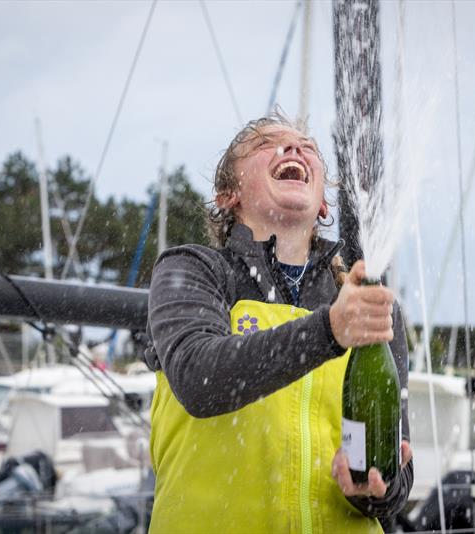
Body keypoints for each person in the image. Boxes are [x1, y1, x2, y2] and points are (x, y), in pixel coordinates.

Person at [144, 114, 413, 533]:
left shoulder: (368, 307)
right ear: (227, 195)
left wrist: (376, 490)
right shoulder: (193, 269)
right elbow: (200, 380)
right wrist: (329, 331)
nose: (294, 149)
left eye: (307, 147)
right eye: (267, 142)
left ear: (323, 203)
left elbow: (395, 476)